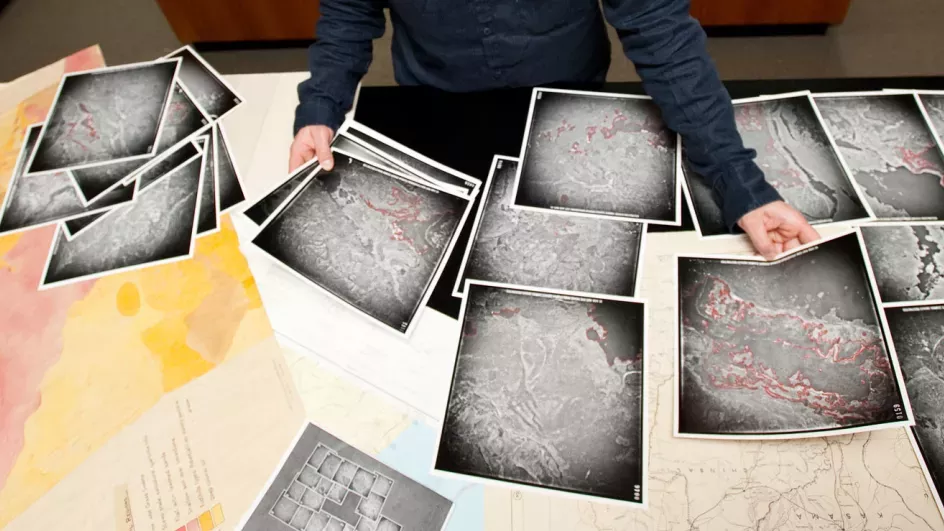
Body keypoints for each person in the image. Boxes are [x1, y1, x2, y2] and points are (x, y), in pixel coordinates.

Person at [288, 0, 821, 259]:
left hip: (570, 90)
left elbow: (662, 34)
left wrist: (737, 180)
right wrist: (321, 105)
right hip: (439, 100)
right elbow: (349, 13)